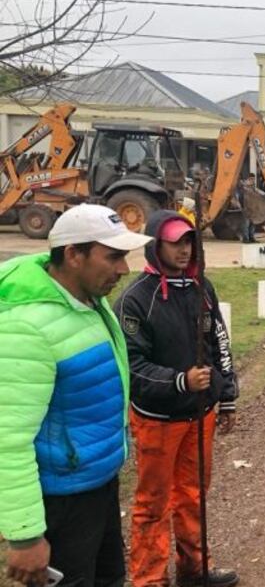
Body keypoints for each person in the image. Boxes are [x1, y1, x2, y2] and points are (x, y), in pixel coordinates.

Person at [0, 204, 151, 587]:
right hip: (61, 502)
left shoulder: (89, 302)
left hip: (97, 483)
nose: (124, 270)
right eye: (113, 256)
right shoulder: (27, 328)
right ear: (73, 254)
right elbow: (8, 439)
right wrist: (25, 535)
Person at [112, 210, 239, 587]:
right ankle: (149, 578)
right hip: (157, 420)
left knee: (193, 496)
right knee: (153, 503)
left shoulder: (203, 287)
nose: (184, 251)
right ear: (156, 245)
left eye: (189, 242)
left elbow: (220, 343)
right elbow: (131, 366)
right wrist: (180, 381)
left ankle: (194, 569)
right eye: (175, 242)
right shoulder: (135, 300)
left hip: (201, 416)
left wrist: (227, 394)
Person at [238, 174, 256, 243]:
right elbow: (240, 198)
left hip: (252, 208)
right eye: (251, 179)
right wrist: (243, 207)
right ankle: (245, 238)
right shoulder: (244, 189)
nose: (253, 181)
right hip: (246, 208)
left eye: (253, 179)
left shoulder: (253, 188)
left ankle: (251, 237)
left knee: (252, 224)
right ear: (248, 179)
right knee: (246, 224)